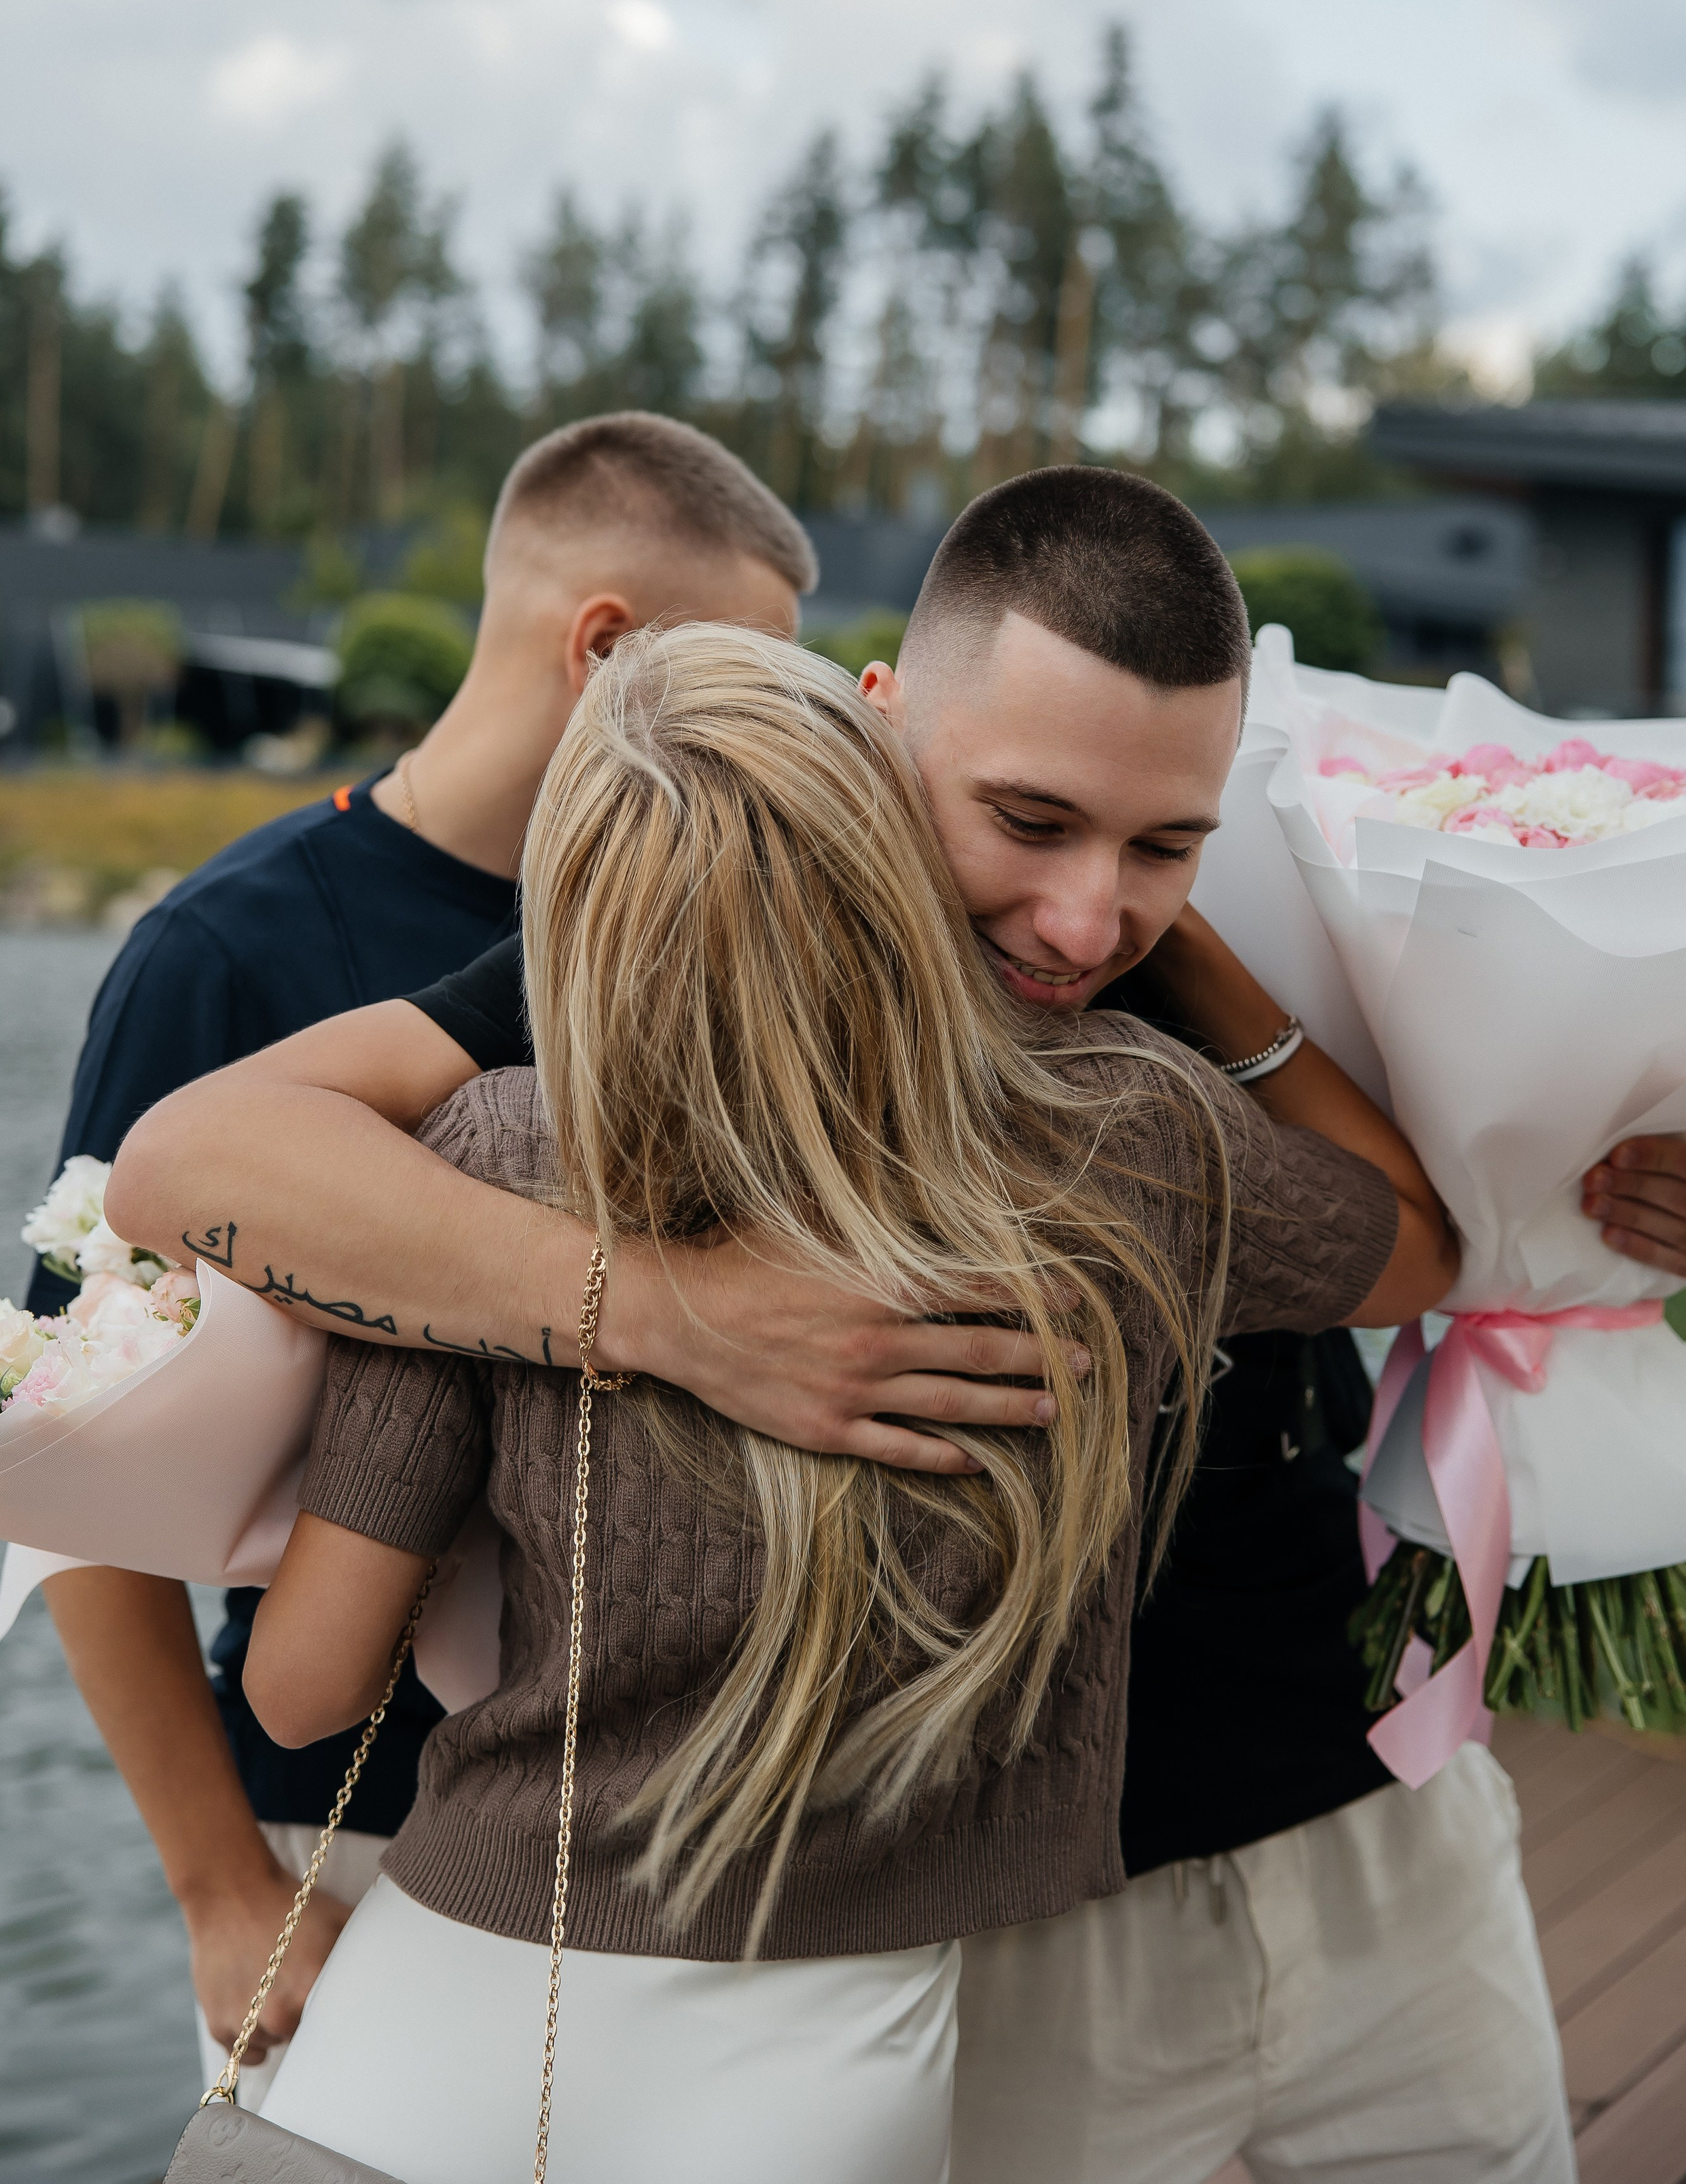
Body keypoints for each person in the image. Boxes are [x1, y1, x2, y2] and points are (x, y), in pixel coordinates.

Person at [110, 465, 1585, 2178]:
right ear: (878, 732)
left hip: (1338, 1780)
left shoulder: (1153, 1000)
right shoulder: (700, 954)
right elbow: (187, 1160)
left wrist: (1213, 973)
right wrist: (665, 1314)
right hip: (989, 1928)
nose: (1087, 916)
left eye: (1165, 844)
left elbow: (1436, 1239)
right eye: (1026, 823)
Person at [33, 409, 842, 2104]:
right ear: (606, 646)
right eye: (749, 670)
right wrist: (221, 1893)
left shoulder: (723, 926)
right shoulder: (226, 953)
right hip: (341, 1835)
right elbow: (61, 1468)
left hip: (671, 1836)